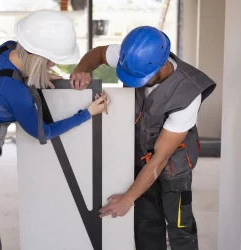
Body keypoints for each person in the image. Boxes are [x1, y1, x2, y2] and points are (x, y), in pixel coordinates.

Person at [0, 10, 108, 250]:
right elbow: (42, 132)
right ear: (38, 55)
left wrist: (38, 72)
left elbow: (15, 71)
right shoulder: (13, 90)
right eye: (50, 60)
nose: (54, 65)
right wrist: (87, 113)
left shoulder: (6, 49)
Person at [70, 26, 216, 250]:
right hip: (140, 157)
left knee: (180, 228)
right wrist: (81, 68)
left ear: (162, 65)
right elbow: (98, 54)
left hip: (174, 165)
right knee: (146, 225)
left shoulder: (188, 93)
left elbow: (160, 159)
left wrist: (128, 198)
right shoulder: (132, 56)